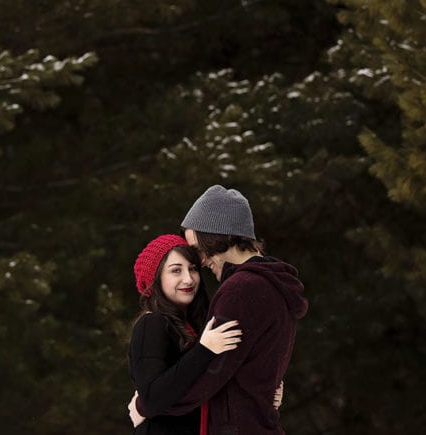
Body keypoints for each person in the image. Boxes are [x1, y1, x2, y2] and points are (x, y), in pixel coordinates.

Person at [130, 185, 308, 434]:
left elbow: (211, 375)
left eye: (198, 249)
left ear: (215, 234)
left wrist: (145, 405)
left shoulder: (240, 289)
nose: (200, 262)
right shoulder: (275, 285)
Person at [128, 233, 244, 434]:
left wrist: (265, 387)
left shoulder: (198, 325)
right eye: (176, 271)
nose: (188, 279)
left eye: (192, 269)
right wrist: (204, 350)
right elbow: (152, 399)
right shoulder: (152, 323)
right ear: (156, 278)